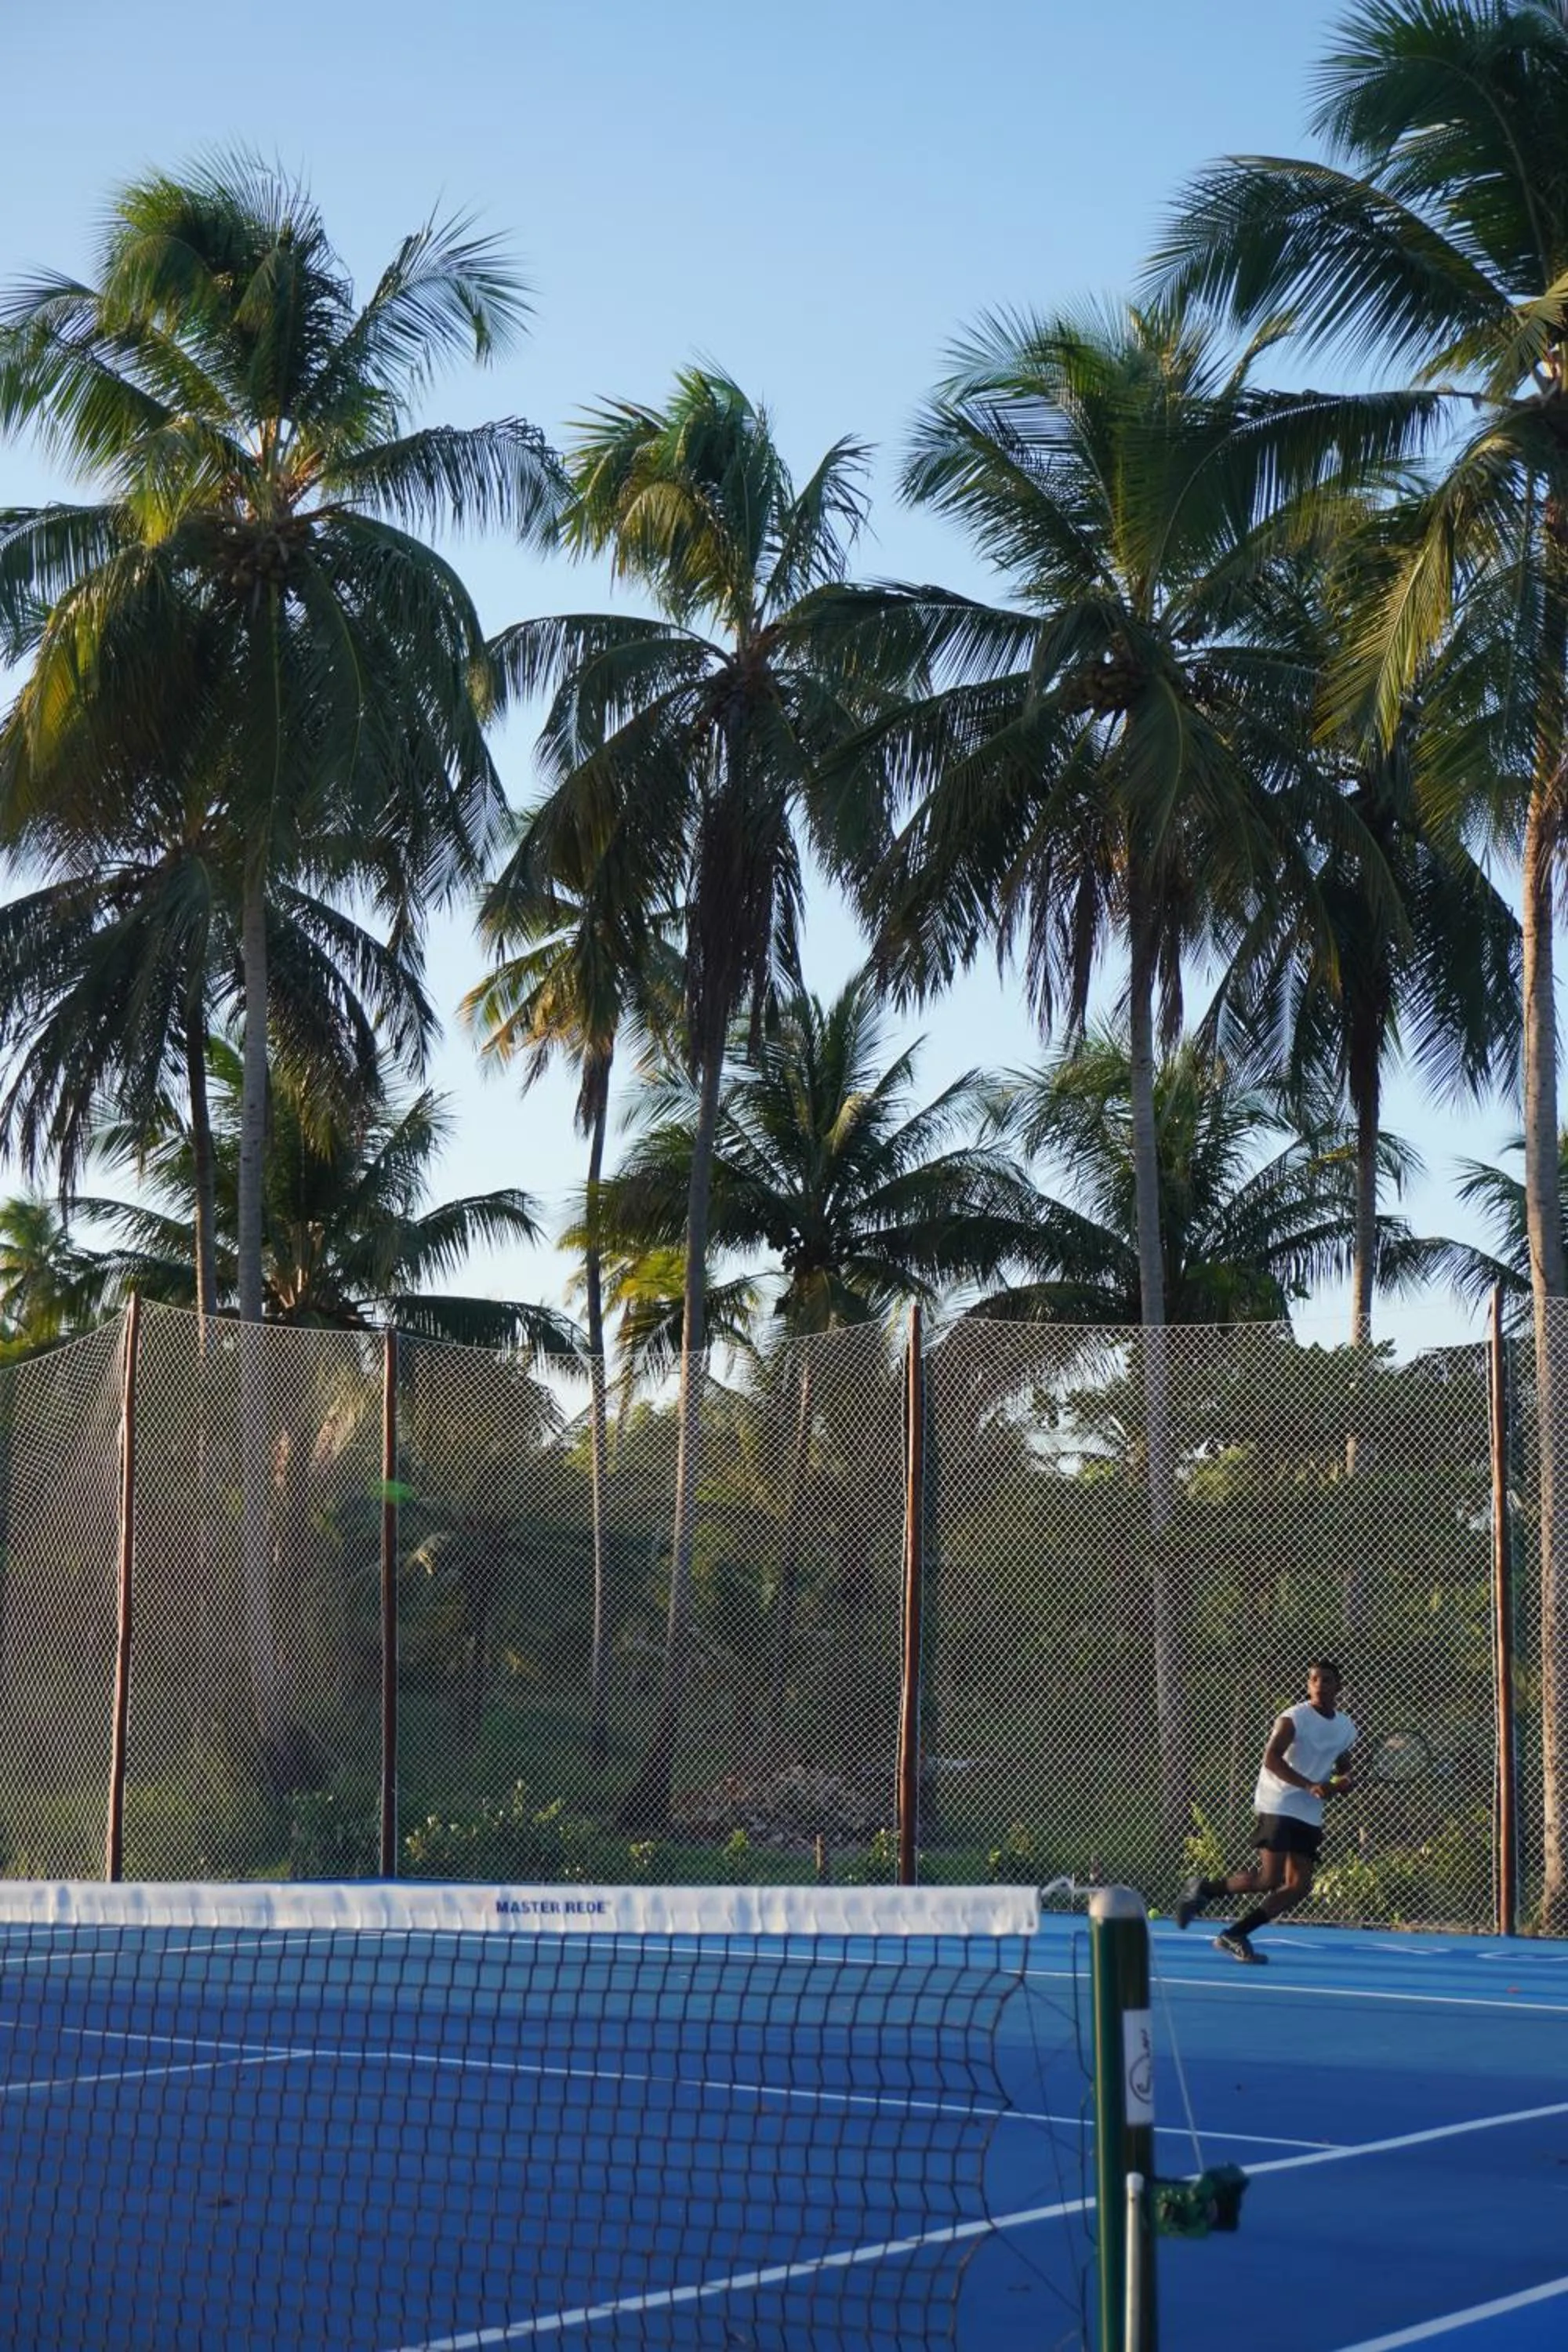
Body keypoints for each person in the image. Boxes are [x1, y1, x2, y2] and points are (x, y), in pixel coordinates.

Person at [1174, 1659, 1356, 1965]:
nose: (1319, 1686)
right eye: (1313, 1680)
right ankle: (1204, 1889)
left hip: (1308, 1812)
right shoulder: (1293, 1718)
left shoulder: (1346, 1728)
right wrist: (1310, 1785)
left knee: (1298, 1886)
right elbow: (1271, 1759)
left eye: (1326, 1680)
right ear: (1308, 1684)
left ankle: (1235, 1934)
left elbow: (1342, 1766)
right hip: (1278, 1801)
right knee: (1269, 1878)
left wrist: (1342, 1783)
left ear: (1339, 1687)